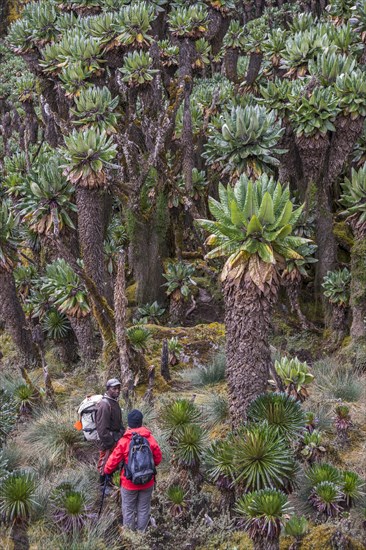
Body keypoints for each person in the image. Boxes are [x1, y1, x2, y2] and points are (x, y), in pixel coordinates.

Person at [104, 409, 162, 532]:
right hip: (148, 481)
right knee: (143, 508)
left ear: (129, 424)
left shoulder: (124, 441)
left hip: (129, 483)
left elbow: (113, 459)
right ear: (141, 422)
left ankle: (130, 536)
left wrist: (107, 471)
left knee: (128, 509)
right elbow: (158, 458)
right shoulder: (150, 439)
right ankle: (141, 534)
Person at [95, 378, 125, 488]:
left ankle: (111, 484)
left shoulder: (114, 402)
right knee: (105, 464)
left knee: (113, 463)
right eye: (114, 388)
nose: (117, 391)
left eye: (118, 388)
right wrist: (110, 443)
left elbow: (118, 423)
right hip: (108, 442)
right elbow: (102, 430)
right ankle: (102, 486)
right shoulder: (104, 405)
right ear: (108, 389)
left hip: (116, 439)